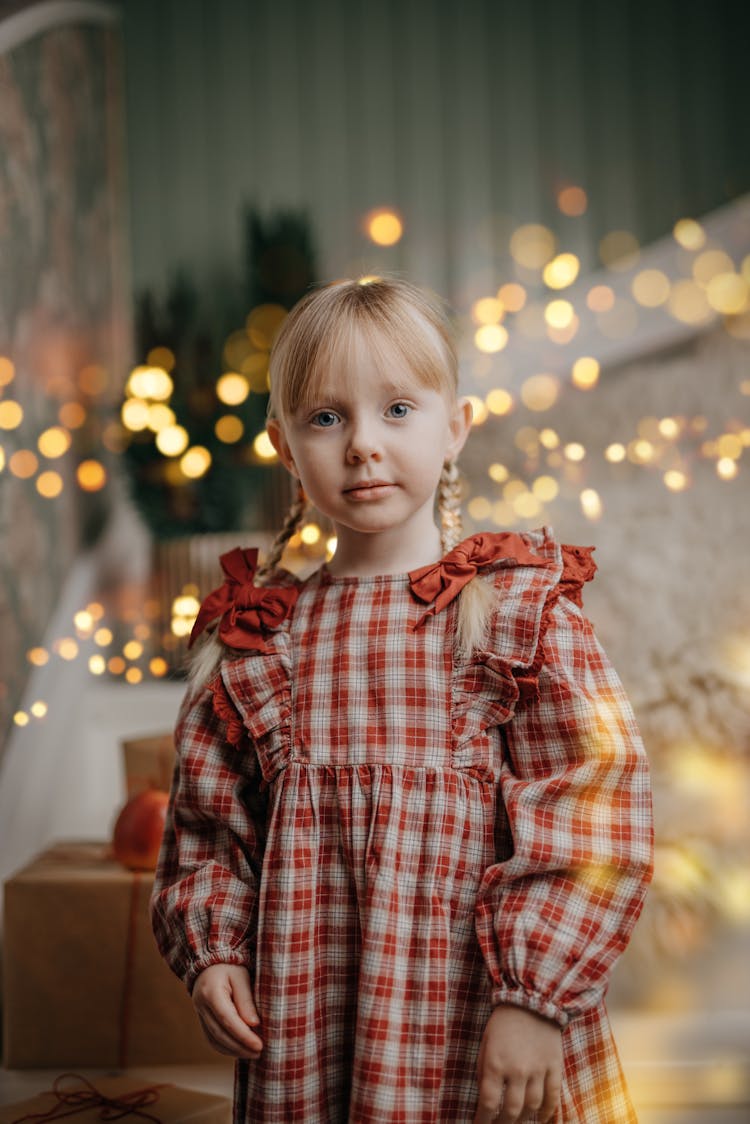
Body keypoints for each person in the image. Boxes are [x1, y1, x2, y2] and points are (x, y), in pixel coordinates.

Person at [151, 276, 653, 1123]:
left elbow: (593, 807)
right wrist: (214, 954)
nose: (361, 447)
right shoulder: (258, 641)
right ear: (283, 446)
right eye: (325, 417)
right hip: (318, 1024)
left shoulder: (514, 615)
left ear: (454, 427)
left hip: (487, 1023)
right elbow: (207, 830)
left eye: (397, 410)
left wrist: (534, 997)